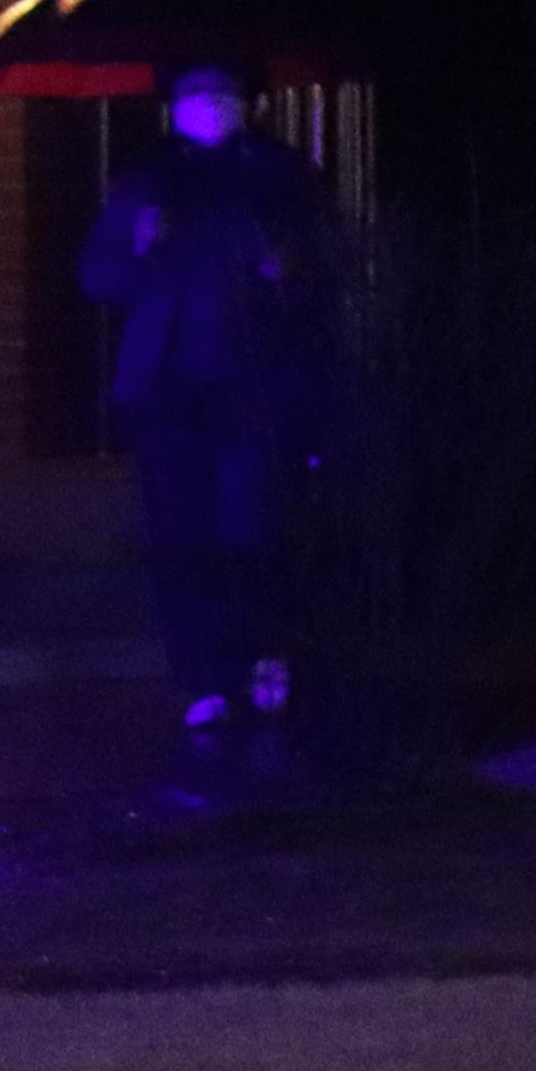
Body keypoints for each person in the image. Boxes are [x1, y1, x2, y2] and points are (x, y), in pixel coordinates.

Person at [75, 61, 334, 774]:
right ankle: (205, 679)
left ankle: (266, 656)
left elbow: (327, 262)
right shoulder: (151, 179)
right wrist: (139, 248)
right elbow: (99, 275)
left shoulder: (280, 175)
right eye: (197, 97)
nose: (211, 107)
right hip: (172, 386)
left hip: (260, 381)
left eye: (222, 95)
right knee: (182, 534)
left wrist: (290, 275)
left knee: (259, 527)